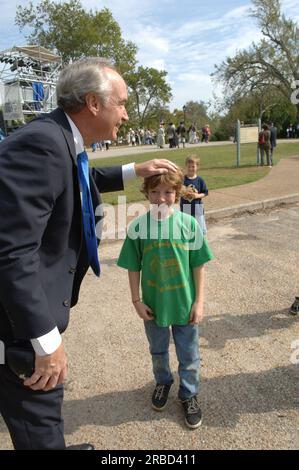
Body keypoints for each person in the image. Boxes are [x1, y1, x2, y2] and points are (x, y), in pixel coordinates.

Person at [0, 57, 178, 450]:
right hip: (14, 327)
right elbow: (11, 253)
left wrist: (135, 169)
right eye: (122, 102)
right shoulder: (42, 144)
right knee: (40, 407)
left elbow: (81, 176)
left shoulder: (59, 138)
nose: (127, 114)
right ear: (93, 103)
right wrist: (44, 342)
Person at [117, 171, 214, 429]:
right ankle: (163, 381)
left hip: (184, 304)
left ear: (178, 192)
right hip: (154, 306)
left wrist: (199, 301)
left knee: (189, 353)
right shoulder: (138, 227)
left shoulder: (189, 224)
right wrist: (136, 301)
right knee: (158, 350)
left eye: (168, 192)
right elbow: (132, 266)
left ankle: (189, 394)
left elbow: (199, 265)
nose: (162, 198)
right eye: (155, 192)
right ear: (146, 193)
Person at [180, 155, 208, 236]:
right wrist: (184, 194)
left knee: (200, 227)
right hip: (186, 207)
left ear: (197, 167)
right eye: (189, 166)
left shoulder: (200, 180)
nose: (191, 168)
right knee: (187, 227)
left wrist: (197, 196)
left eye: (193, 166)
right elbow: (178, 191)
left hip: (197, 207)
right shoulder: (182, 179)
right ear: (186, 166)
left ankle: (201, 240)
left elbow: (205, 192)